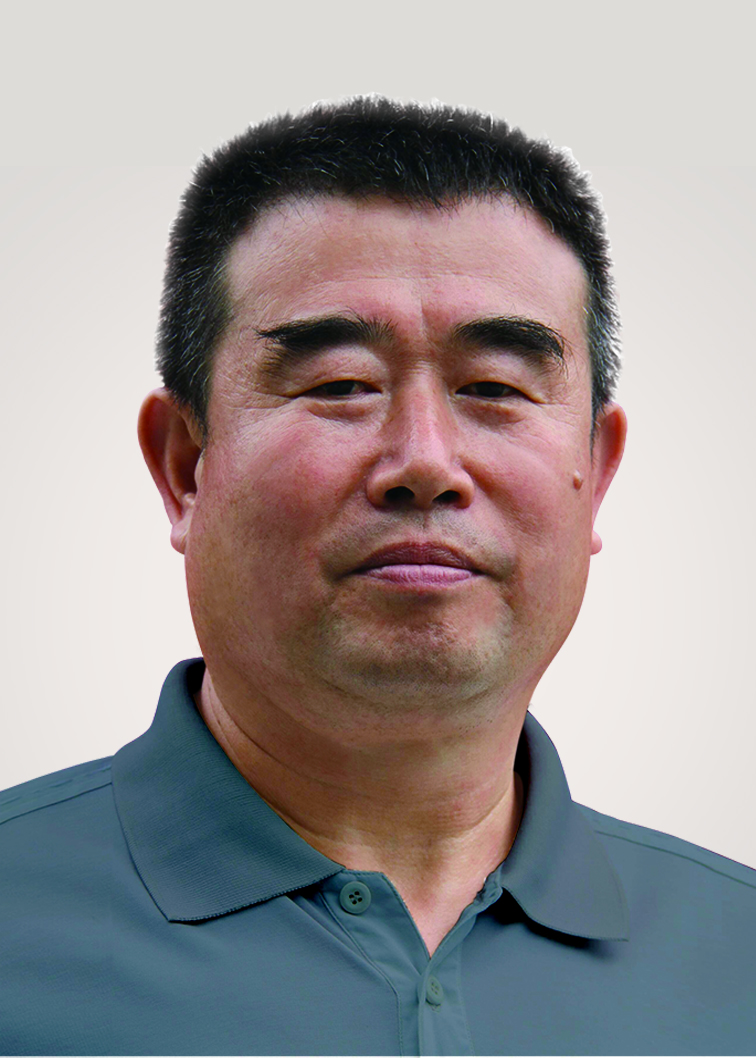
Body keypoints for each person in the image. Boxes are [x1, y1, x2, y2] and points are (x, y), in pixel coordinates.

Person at [1, 97, 753, 1058]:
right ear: (186, 465)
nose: (426, 462)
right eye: (340, 385)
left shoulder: (733, 964)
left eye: (495, 387)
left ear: (596, 475)